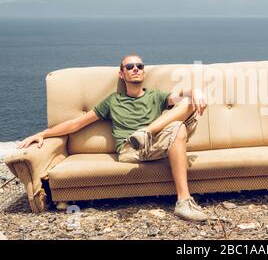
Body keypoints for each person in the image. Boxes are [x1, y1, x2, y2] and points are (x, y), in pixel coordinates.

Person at [17, 53, 209, 222]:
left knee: (187, 106)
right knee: (179, 129)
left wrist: (195, 91)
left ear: (144, 72)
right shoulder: (113, 101)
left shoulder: (156, 96)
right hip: (130, 148)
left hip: (153, 141)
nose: (135, 69)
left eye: (139, 66)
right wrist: (43, 133)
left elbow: (181, 98)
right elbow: (77, 124)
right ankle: (184, 201)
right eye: (130, 66)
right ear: (121, 74)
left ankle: (146, 132)